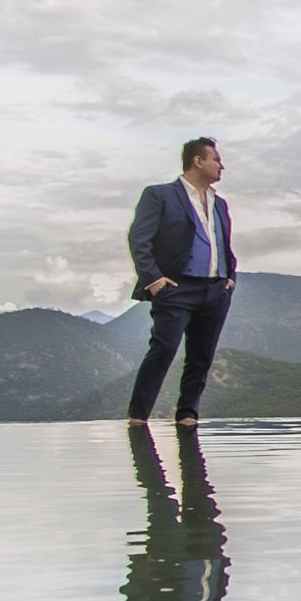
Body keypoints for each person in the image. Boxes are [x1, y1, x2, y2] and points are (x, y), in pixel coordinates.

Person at [125, 137, 237, 427]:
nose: (221, 165)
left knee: (202, 356)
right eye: (216, 159)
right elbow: (139, 239)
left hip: (215, 288)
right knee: (163, 349)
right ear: (197, 161)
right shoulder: (160, 195)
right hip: (176, 287)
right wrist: (153, 279)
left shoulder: (220, 204)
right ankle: (138, 416)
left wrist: (229, 278)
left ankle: (188, 413)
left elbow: (223, 243)